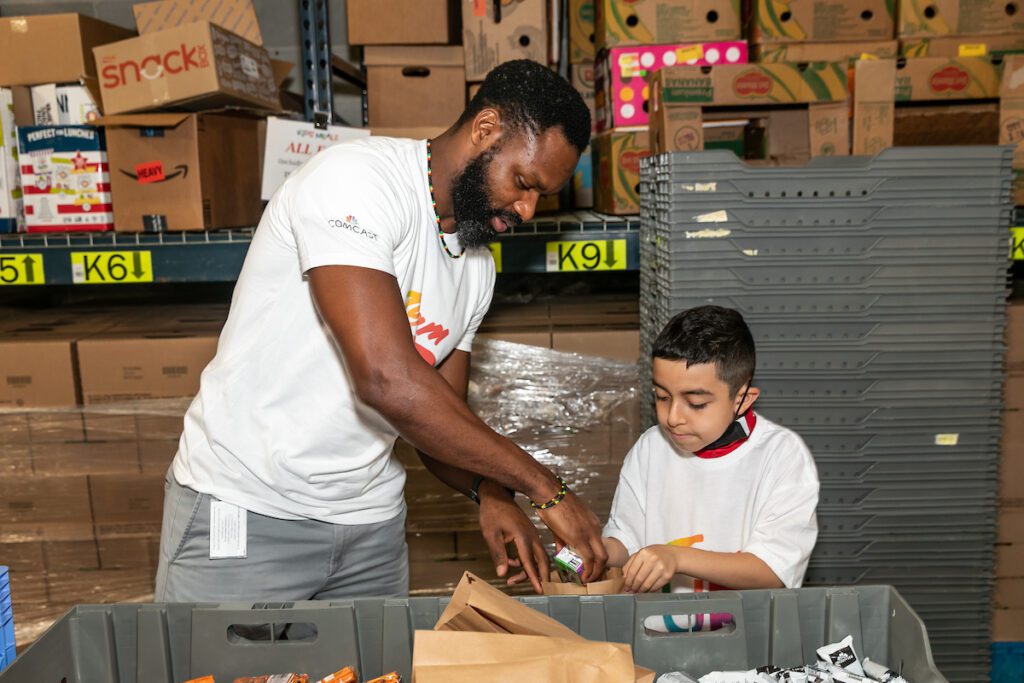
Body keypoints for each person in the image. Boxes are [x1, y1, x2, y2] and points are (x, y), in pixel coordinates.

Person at [155, 59, 607, 602]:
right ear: (485, 130)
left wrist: (492, 492)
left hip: (369, 532)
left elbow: (438, 418)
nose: (528, 210)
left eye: (543, 197)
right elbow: (385, 379)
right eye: (523, 183)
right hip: (250, 510)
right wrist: (543, 488)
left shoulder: (476, 267)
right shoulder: (355, 182)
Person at [602, 306, 819, 623]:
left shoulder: (781, 456)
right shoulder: (650, 449)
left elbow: (772, 570)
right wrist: (595, 553)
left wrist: (675, 557)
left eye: (696, 403)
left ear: (742, 400)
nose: (673, 417)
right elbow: (626, 539)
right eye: (662, 397)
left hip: (746, 648)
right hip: (656, 643)